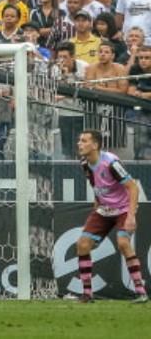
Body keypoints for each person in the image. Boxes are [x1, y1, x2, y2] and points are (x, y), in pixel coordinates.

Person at [73, 129, 146, 303]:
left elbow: (133, 187)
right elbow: (95, 184)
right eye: (79, 140)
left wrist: (130, 216)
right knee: (82, 245)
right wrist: (97, 205)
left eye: (84, 141)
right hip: (104, 210)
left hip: (122, 209)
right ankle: (87, 294)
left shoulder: (111, 163)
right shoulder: (84, 163)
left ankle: (141, 292)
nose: (79, 144)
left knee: (123, 243)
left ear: (95, 145)